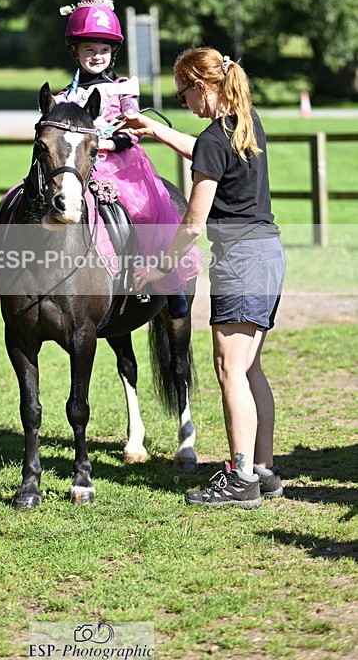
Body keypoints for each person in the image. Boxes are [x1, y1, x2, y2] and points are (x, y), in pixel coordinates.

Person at [0, 0, 202, 319]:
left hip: (119, 163)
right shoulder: (64, 95)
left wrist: (108, 144)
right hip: (73, 164)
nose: (96, 56)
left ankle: (164, 284)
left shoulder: (123, 88)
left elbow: (135, 131)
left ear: (113, 52)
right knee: (17, 195)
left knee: (146, 211)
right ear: (76, 52)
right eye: (88, 49)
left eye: (103, 49)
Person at [121, 47, 286, 509]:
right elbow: (206, 150)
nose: (186, 105)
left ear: (201, 85)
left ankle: (240, 477)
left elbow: (193, 222)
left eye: (184, 95)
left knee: (228, 369)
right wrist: (157, 130)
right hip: (269, 254)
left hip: (239, 261)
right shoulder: (247, 123)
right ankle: (264, 470)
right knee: (249, 367)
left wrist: (161, 266)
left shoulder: (216, 138)